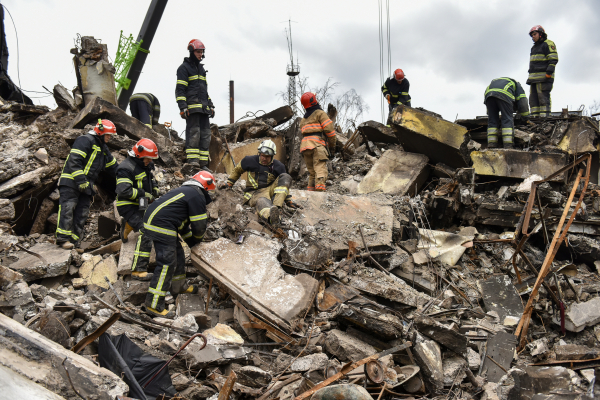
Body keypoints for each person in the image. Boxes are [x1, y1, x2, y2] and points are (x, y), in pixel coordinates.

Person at [142, 171, 214, 318]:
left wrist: (192, 243)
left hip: (157, 221)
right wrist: (198, 240)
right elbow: (199, 226)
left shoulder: (186, 192)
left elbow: (182, 227)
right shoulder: (196, 196)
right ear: (206, 187)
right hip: (161, 225)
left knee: (178, 252)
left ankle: (178, 286)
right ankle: (153, 304)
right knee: (166, 263)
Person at [56, 119, 118, 249]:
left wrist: (127, 175)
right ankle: (63, 239)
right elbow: (74, 161)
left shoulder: (103, 148)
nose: (109, 137)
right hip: (71, 182)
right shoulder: (85, 140)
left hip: (86, 185)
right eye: (108, 134)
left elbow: (113, 167)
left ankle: (74, 242)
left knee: (82, 213)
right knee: (68, 208)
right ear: (100, 131)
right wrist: (81, 180)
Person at [221, 139, 299, 226]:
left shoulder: (279, 166)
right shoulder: (249, 161)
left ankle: (276, 208)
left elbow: (283, 184)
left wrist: (288, 200)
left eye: (267, 156)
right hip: (254, 194)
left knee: (286, 176)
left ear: (272, 156)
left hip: (269, 191)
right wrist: (229, 183)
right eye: (262, 156)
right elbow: (237, 170)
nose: (264, 158)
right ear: (259, 153)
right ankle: (272, 217)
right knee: (262, 201)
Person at [115, 139, 160, 280]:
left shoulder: (145, 164)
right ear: (139, 155)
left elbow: (150, 177)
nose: (149, 161)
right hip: (127, 206)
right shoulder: (125, 168)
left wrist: (154, 188)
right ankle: (138, 270)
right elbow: (124, 191)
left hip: (141, 203)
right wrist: (143, 194)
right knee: (147, 231)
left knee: (152, 222)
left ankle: (128, 225)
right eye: (148, 158)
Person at [175, 39, 215, 173]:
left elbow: (204, 91)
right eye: (198, 51)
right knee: (194, 134)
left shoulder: (201, 69)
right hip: (192, 108)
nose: (200, 54)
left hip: (203, 109)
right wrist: (183, 107)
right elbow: (180, 90)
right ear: (192, 51)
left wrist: (211, 105)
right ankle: (192, 162)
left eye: (202, 51)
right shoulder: (184, 68)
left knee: (206, 135)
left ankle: (203, 164)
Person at [298, 92, 336, 192]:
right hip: (317, 145)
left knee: (312, 172)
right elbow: (331, 133)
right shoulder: (320, 114)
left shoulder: (303, 119)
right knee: (320, 169)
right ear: (313, 100)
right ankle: (320, 193)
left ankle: (310, 193)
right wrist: (332, 147)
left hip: (305, 147)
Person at [484, 78, 530, 149]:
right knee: (507, 119)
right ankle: (508, 145)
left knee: (492, 120)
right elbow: (523, 103)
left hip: (489, 95)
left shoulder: (495, 83)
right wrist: (525, 117)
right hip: (504, 94)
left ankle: (492, 144)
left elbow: (489, 110)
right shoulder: (517, 85)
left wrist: (490, 112)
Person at [526, 25, 558, 118]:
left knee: (543, 99)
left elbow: (553, 59)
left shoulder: (548, 44)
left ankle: (545, 119)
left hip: (544, 78)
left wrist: (548, 74)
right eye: (532, 35)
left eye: (534, 34)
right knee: (533, 101)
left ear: (541, 34)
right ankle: (535, 120)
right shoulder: (534, 48)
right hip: (533, 79)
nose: (533, 37)